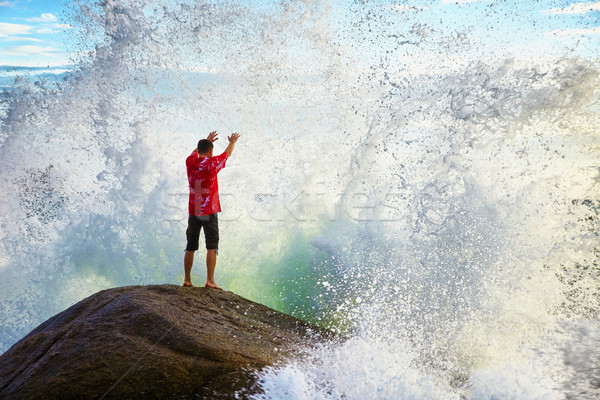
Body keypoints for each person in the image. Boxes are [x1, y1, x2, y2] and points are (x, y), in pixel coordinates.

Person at [183, 131, 240, 289]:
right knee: (211, 246)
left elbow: (195, 152)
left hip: (194, 210)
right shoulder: (212, 163)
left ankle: (187, 280)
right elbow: (227, 153)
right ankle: (210, 280)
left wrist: (206, 141)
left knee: (190, 246)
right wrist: (232, 142)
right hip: (209, 210)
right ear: (210, 151)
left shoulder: (190, 162)